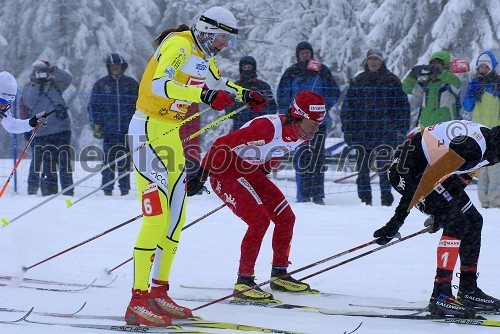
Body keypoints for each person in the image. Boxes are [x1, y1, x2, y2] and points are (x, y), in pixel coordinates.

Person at [125, 6, 266, 326]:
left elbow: (217, 82)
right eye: (221, 38)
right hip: (146, 131)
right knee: (156, 218)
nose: (224, 45)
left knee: (176, 217)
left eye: (227, 40)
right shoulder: (178, 44)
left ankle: (159, 292)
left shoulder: (204, 57)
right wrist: (200, 93)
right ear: (205, 31)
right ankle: (137, 299)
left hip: (169, 135)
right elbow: (159, 85)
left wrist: (245, 93)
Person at [187, 91, 325, 301]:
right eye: (312, 123)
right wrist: (201, 176)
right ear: (297, 115)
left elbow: (277, 151)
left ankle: (279, 274)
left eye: (319, 124)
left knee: (286, 218)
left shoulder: (302, 133)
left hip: (250, 171)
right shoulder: (267, 128)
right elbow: (220, 144)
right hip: (224, 171)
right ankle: (244, 282)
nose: (315, 129)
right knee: (259, 221)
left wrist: (265, 170)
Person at [373, 120, 500, 318]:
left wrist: (445, 208)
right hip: (408, 173)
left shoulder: (491, 147)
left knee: (474, 220)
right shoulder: (472, 147)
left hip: (432, 170)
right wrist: (395, 223)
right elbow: (422, 183)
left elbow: (462, 176)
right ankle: (440, 294)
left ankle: (468, 290)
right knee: (456, 222)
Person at [341, 48, 410, 206]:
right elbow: (347, 109)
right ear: (366, 61)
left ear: (382, 61)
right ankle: (365, 201)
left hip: (386, 132)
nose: (373, 62)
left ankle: (386, 200)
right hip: (362, 133)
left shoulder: (392, 80)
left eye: (376, 59)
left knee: (384, 169)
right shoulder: (358, 81)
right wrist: (348, 131)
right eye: (371, 59)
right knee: (363, 170)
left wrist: (401, 130)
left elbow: (403, 108)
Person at [277, 41, 340, 204]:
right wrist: (288, 114)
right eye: (302, 52)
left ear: (311, 54)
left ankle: (318, 195)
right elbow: (282, 95)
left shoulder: (322, 70)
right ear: (298, 55)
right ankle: (303, 196)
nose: (305, 55)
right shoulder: (291, 72)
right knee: (302, 157)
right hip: (297, 123)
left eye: (307, 52)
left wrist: (323, 107)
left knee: (318, 158)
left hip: (319, 122)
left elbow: (334, 92)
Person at [88, 53, 139, 196]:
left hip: (127, 129)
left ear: (123, 66)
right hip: (108, 130)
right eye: (112, 65)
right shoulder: (101, 84)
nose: (115, 67)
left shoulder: (131, 83)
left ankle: (125, 190)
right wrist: (96, 125)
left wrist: (138, 125)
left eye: (117, 65)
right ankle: (107, 189)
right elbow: (93, 106)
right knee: (109, 161)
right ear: (108, 67)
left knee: (125, 161)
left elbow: (140, 106)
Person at [21, 60, 73, 196]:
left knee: (64, 163)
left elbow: (68, 79)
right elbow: (29, 102)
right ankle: (48, 192)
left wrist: (53, 70)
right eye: (39, 71)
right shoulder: (29, 87)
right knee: (45, 164)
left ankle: (68, 192)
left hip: (61, 129)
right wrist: (35, 83)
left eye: (44, 71)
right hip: (41, 132)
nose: (42, 74)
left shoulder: (56, 84)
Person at [463, 51, 500, 209]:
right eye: (481, 66)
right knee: (481, 169)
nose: (483, 68)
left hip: (495, 130)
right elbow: (467, 106)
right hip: (478, 133)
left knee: (494, 168)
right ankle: (484, 201)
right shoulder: (475, 83)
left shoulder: (497, 84)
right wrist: (472, 93)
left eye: (486, 66)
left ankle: (495, 200)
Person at [403, 50, 462, 127]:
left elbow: (458, 86)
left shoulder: (450, 81)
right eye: (432, 63)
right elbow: (407, 88)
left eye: (438, 63)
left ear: (445, 65)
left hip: (446, 127)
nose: (435, 66)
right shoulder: (427, 83)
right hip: (426, 127)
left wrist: (441, 73)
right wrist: (412, 75)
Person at [226, 56, 278, 131]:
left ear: (254, 68)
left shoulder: (263, 86)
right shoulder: (234, 86)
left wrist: (261, 105)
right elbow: (228, 111)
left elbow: (273, 108)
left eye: (249, 67)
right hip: (239, 126)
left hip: (259, 126)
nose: (247, 70)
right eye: (245, 67)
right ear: (241, 69)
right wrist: (238, 105)